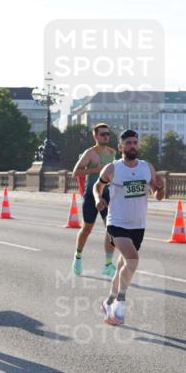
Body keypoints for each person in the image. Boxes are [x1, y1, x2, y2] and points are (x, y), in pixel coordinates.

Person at [92, 130, 164, 325]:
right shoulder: (112, 169)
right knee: (132, 260)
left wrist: (161, 188)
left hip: (138, 225)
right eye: (129, 143)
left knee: (123, 266)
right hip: (117, 223)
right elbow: (97, 187)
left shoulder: (146, 167)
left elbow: (157, 194)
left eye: (135, 143)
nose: (133, 146)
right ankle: (120, 302)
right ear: (120, 147)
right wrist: (98, 199)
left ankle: (108, 301)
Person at [70, 123, 117, 278]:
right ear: (95, 136)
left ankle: (108, 264)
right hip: (91, 195)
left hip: (107, 194)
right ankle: (77, 258)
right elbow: (76, 172)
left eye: (107, 134)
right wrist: (96, 170)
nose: (106, 136)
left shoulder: (112, 153)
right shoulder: (90, 153)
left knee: (111, 228)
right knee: (87, 229)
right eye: (102, 134)